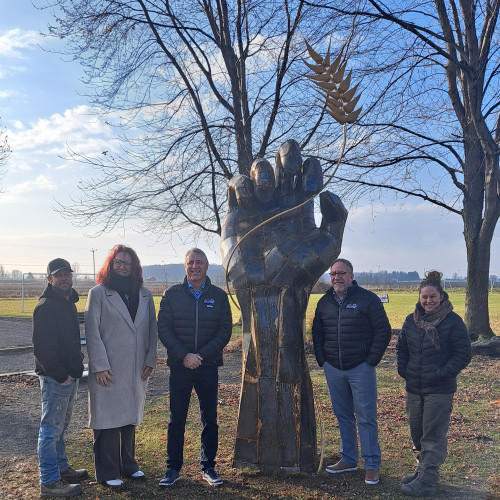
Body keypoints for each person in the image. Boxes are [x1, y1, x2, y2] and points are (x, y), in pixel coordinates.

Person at [312, 258, 391, 485]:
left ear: (351, 276)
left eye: (342, 273)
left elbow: (383, 330)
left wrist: (371, 360)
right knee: (343, 415)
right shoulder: (324, 302)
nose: (337, 277)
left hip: (360, 368)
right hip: (333, 369)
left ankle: (371, 465)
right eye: (333, 273)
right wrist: (322, 360)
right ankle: (348, 458)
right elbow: (317, 332)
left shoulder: (367, 299)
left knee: (366, 417)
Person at [157, 248, 232, 487]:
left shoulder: (219, 297)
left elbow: (224, 331)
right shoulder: (171, 294)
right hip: (180, 367)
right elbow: (164, 330)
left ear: (207, 266)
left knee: (209, 418)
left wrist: (199, 355)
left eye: (199, 262)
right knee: (176, 418)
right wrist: (184, 356)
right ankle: (172, 468)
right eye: (190, 262)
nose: (194, 266)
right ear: (185, 266)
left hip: (207, 366)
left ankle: (208, 467)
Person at [85, 245, 158, 487]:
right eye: (117, 261)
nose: (121, 266)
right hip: (109, 368)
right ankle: (107, 472)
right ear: (110, 263)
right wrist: (99, 365)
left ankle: (128, 465)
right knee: (106, 420)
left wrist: (151, 358)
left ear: (134, 266)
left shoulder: (145, 295)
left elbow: (152, 330)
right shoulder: (98, 293)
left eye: (126, 262)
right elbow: (91, 332)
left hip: (137, 366)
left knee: (129, 417)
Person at [396, 271, 471, 497]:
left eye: (432, 297)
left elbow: (463, 353)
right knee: (417, 434)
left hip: (438, 390)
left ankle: (427, 482)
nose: (428, 301)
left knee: (433, 435)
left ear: (441, 296)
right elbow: (402, 348)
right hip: (414, 388)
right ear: (419, 297)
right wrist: (404, 370)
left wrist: (441, 373)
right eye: (424, 297)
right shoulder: (412, 320)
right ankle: (422, 471)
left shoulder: (453, 321)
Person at [33, 258, 88, 498]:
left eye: (67, 274)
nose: (64, 279)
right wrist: (61, 375)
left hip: (70, 376)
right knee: (49, 430)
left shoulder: (67, 303)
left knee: (60, 428)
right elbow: (42, 349)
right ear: (49, 279)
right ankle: (49, 481)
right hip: (56, 379)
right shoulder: (46, 306)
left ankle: (62, 469)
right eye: (58, 275)